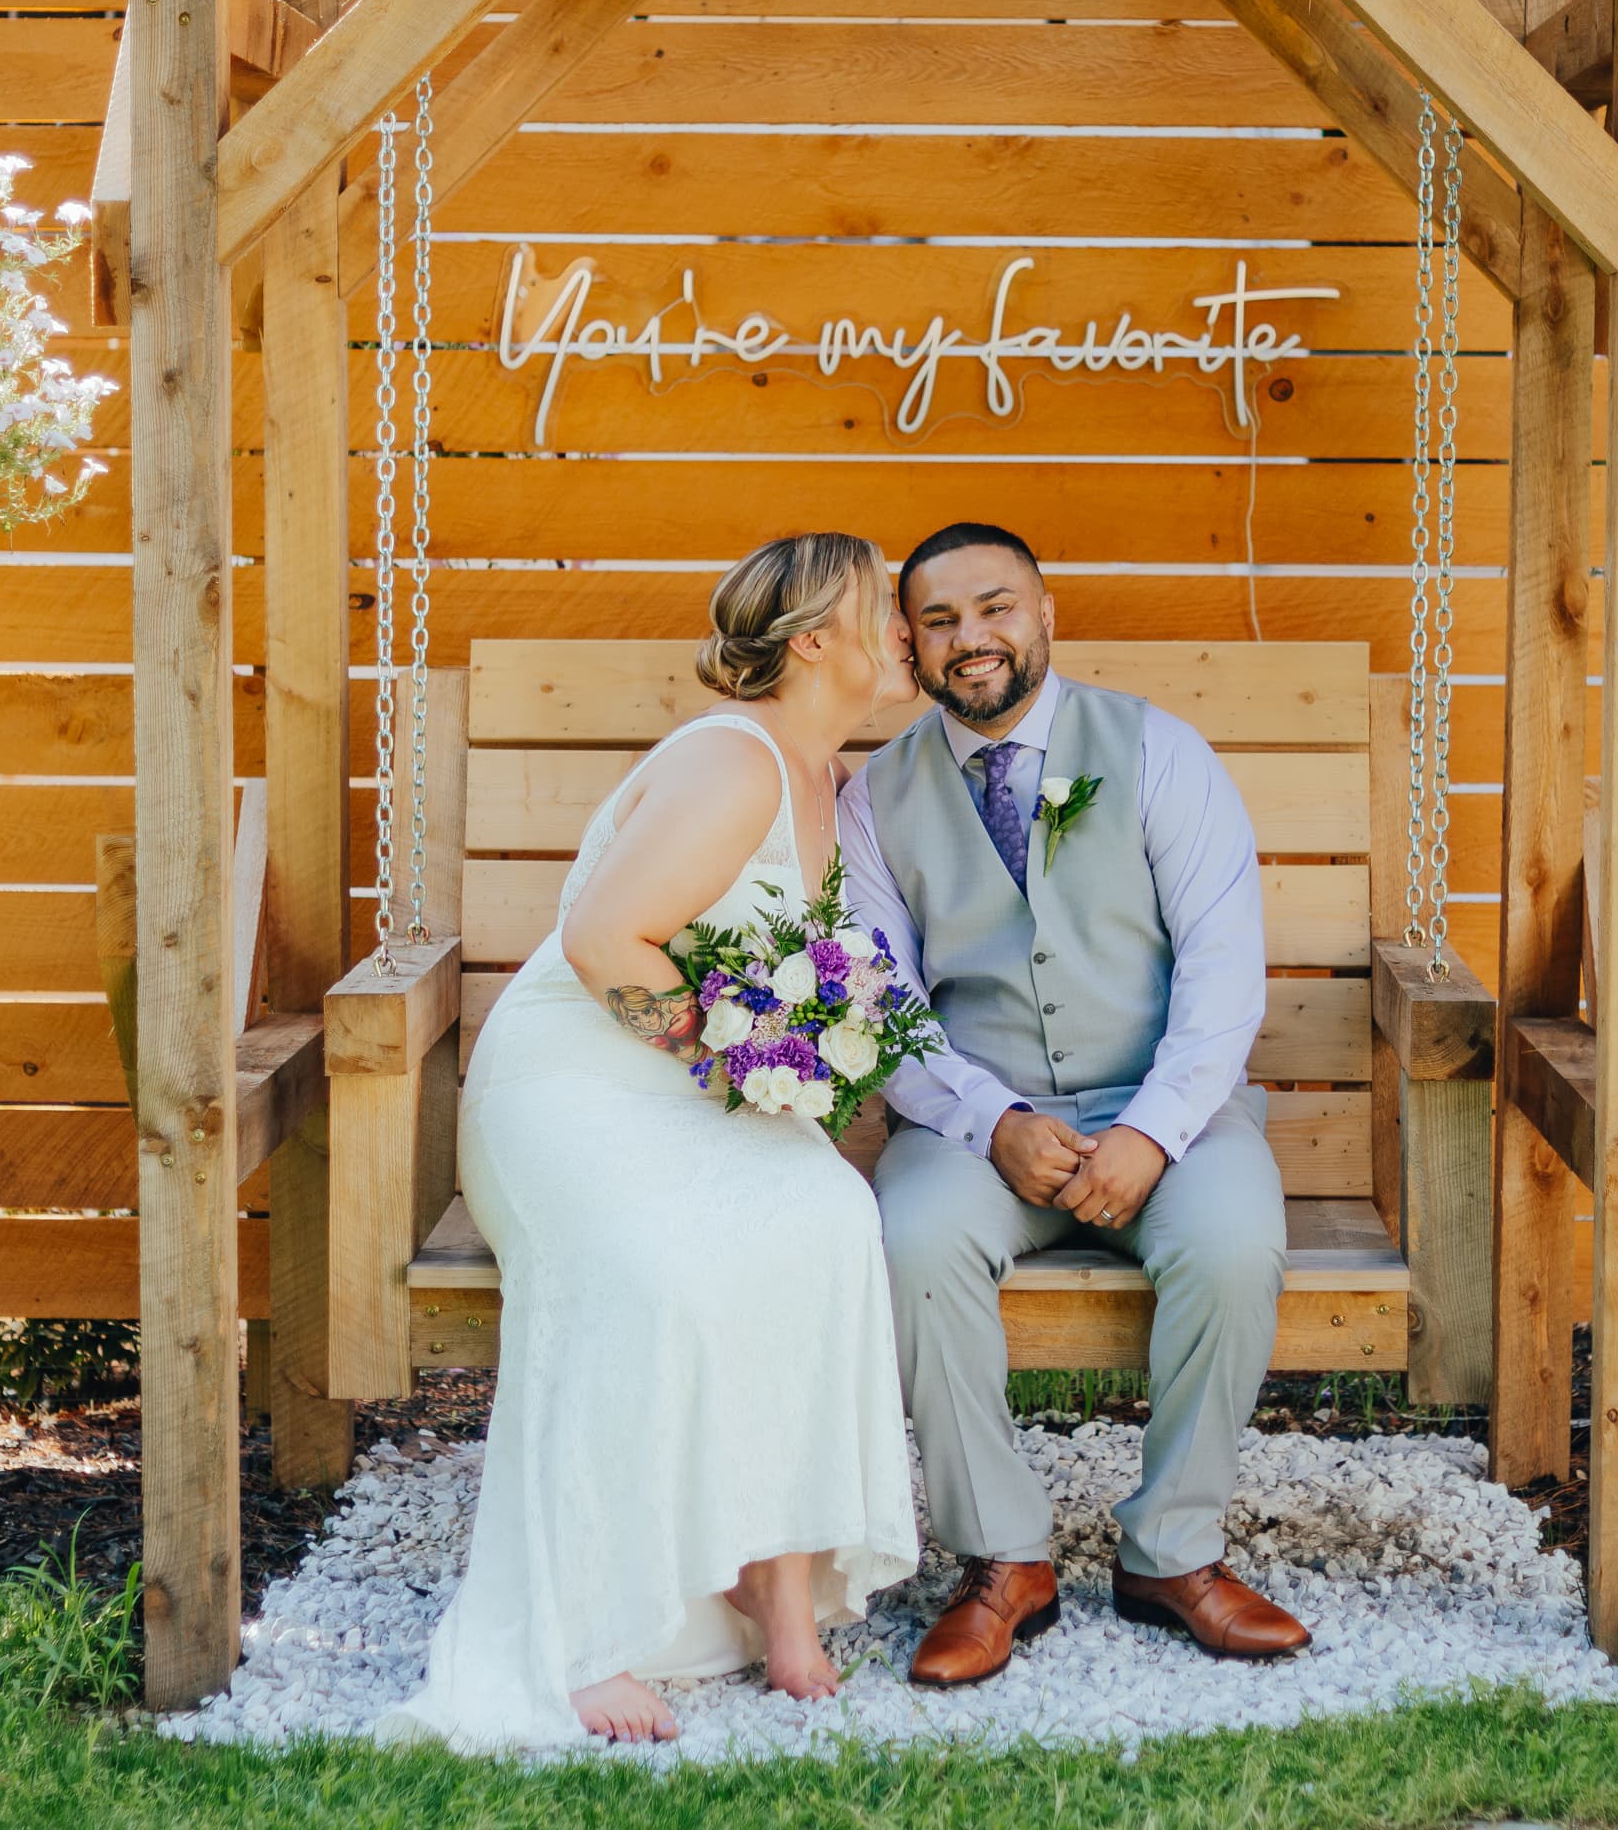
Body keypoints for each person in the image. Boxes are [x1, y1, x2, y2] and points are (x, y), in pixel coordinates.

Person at [379, 533, 921, 1751]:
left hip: (703, 1088)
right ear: (815, 640)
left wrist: (796, 1058)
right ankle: (585, 1627)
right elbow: (607, 940)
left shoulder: (824, 775)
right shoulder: (733, 763)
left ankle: (777, 1582)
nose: (904, 629)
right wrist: (759, 1058)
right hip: (572, 1090)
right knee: (654, 1265)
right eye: (883, 607)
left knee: (828, 1221)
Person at [837, 521, 1312, 1686]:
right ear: (911, 643)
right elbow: (882, 999)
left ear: (1046, 614)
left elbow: (1222, 969)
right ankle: (1004, 1559)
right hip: (973, 1119)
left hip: (1169, 1107)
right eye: (941, 619)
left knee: (1234, 1241)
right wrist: (989, 1119)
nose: (973, 638)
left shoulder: (1157, 752)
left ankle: (1174, 1551)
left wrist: (1152, 1130)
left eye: (996, 607)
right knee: (913, 1241)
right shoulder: (874, 796)